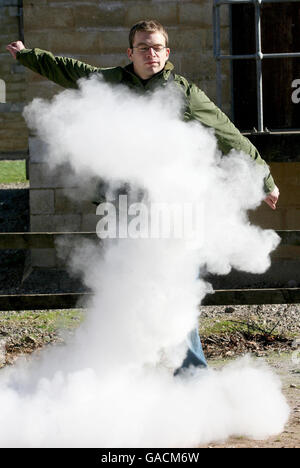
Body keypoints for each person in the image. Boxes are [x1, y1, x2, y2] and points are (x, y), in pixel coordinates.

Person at [7, 20, 279, 372]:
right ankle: (126, 378)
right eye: (142, 48)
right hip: (125, 207)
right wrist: (29, 56)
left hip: (176, 209)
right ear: (130, 53)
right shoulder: (112, 82)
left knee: (178, 288)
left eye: (156, 48)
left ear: (167, 53)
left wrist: (265, 178)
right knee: (126, 288)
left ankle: (192, 378)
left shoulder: (185, 93)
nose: (150, 54)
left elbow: (227, 133)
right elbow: (70, 71)